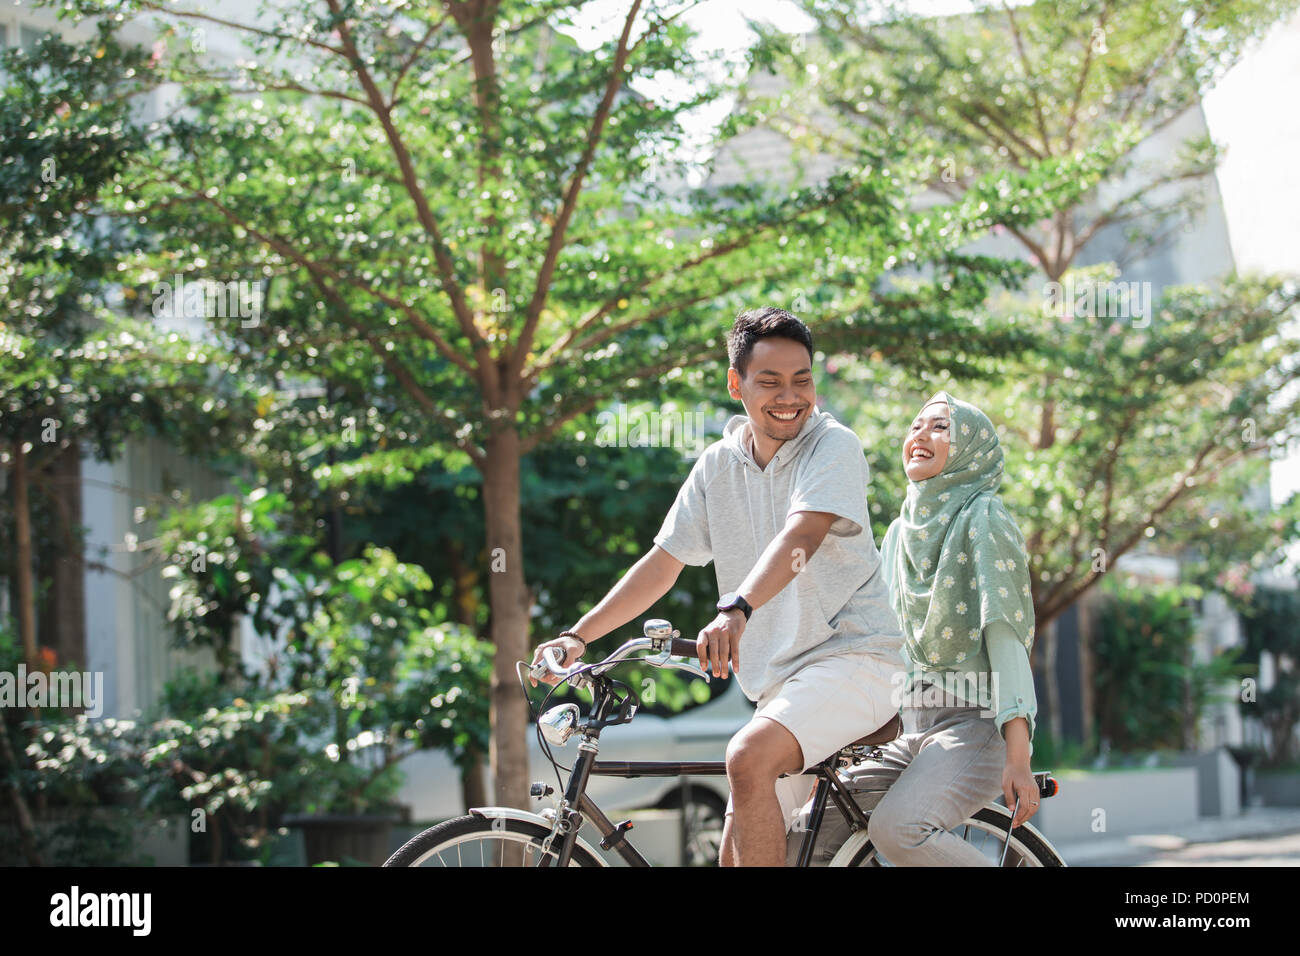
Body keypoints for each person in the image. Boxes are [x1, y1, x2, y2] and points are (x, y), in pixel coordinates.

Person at [531, 306, 904, 866]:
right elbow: (663, 563)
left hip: (859, 659)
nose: (789, 396)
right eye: (770, 381)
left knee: (747, 756)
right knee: (735, 856)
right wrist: (578, 637)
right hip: (783, 687)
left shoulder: (833, 446)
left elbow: (802, 535)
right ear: (736, 383)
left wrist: (736, 608)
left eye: (801, 380)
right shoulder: (717, 466)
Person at [801, 391, 1039, 866]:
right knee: (806, 828)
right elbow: (880, 638)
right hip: (910, 728)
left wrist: (1019, 752)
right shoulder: (899, 532)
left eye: (940, 427)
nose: (920, 435)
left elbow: (1005, 633)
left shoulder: (983, 518)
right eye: (915, 426)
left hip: (977, 725)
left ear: (971, 447)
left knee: (900, 831)